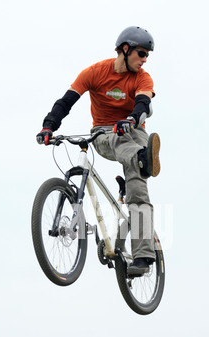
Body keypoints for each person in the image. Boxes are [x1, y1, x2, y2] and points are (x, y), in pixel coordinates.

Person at [36, 26, 161, 276]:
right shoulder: (95, 72)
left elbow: (143, 102)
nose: (145, 59)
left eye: (147, 55)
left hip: (134, 129)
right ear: (124, 49)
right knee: (116, 142)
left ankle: (144, 257)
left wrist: (132, 118)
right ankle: (141, 159)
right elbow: (67, 101)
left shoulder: (143, 78)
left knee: (139, 191)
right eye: (141, 53)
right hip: (103, 132)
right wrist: (48, 126)